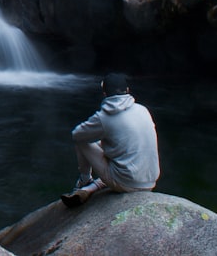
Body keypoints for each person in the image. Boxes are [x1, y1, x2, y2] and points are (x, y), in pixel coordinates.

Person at [61, 72, 160, 208]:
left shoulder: (104, 117)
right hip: (150, 181)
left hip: (127, 183)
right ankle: (90, 189)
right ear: (128, 91)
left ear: (105, 94)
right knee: (119, 151)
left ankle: (84, 181)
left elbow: (77, 134)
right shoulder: (143, 110)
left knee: (82, 141)